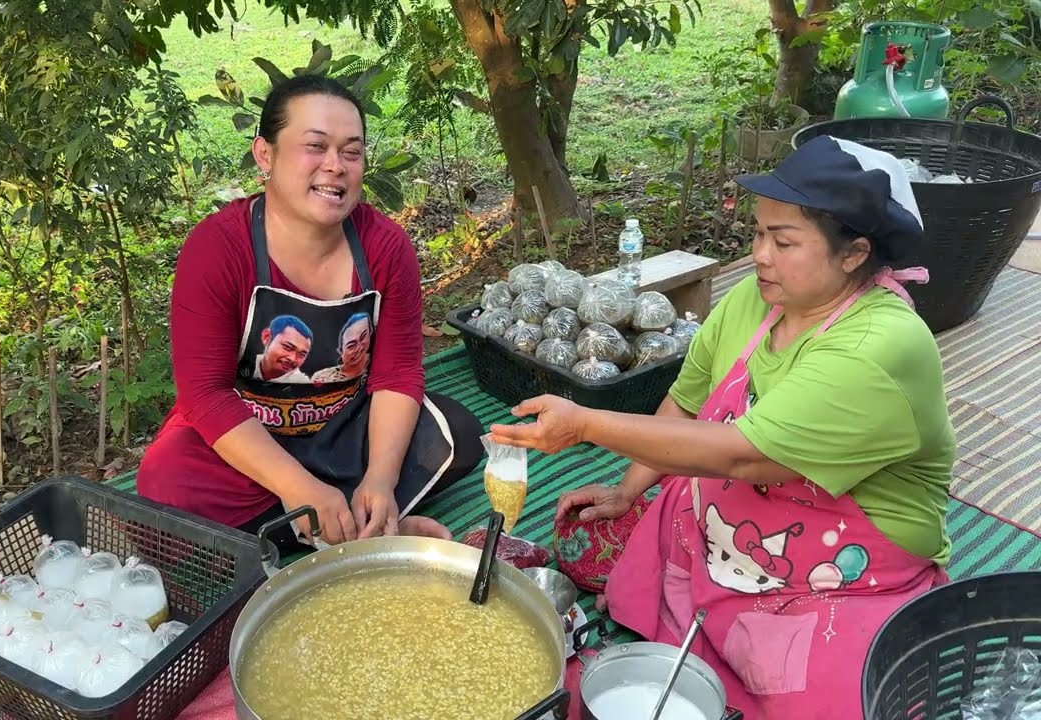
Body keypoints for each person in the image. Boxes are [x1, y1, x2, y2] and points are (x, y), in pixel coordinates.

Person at [489, 135, 955, 719]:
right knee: (580, 539)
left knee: (839, 698)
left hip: (840, 568)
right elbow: (687, 403)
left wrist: (585, 423)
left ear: (855, 253)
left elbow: (741, 455)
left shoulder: (880, 345)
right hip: (732, 525)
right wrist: (629, 488)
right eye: (759, 234)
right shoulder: (756, 301)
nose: (760, 255)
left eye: (784, 242)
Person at [137, 74, 484, 551]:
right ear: (266, 154)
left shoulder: (385, 246)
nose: (334, 166)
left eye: (351, 152)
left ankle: (348, 516)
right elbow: (206, 395)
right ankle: (353, 525)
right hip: (251, 438)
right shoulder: (218, 248)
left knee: (457, 433)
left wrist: (381, 480)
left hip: (343, 428)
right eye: (315, 146)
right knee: (167, 480)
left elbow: (397, 375)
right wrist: (297, 486)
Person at [311, 312, 372, 383]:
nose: (359, 348)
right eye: (351, 346)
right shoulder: (323, 377)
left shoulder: (377, 361)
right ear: (341, 351)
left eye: (363, 337)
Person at [252, 315, 314, 382]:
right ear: (267, 337)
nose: (292, 359)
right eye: (287, 347)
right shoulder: (243, 363)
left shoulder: (302, 384)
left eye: (301, 355)